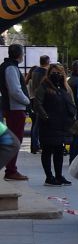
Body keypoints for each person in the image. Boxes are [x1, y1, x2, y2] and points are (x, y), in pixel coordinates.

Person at [36, 64, 77, 186]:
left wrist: (72, 115)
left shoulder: (65, 87)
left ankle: (58, 176)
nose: (56, 75)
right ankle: (49, 177)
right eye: (54, 73)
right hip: (48, 124)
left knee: (59, 150)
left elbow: (71, 102)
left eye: (59, 73)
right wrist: (46, 117)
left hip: (63, 124)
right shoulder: (44, 86)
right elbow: (38, 103)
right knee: (47, 150)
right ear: (49, 74)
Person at [1, 43, 31, 180]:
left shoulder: (7, 66)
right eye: (23, 54)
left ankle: (11, 169)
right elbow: (15, 90)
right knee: (16, 140)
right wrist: (28, 101)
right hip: (15, 108)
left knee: (14, 139)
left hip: (12, 107)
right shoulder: (11, 68)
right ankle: (11, 170)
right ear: (19, 54)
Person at [28, 55, 50, 155]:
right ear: (47, 62)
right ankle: (39, 146)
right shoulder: (44, 72)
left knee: (35, 125)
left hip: (34, 100)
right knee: (38, 124)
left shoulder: (35, 72)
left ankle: (34, 146)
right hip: (42, 100)